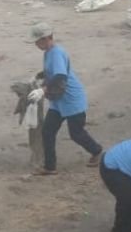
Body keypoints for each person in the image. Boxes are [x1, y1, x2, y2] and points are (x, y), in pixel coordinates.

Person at [28, 23, 103, 176]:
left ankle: (97, 151)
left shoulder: (56, 53)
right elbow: (53, 71)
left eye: (37, 41)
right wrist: (39, 75)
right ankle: (50, 166)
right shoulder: (48, 52)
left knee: (76, 133)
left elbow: (60, 76)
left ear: (46, 39)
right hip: (58, 100)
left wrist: (43, 90)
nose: (36, 45)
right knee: (48, 131)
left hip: (72, 100)